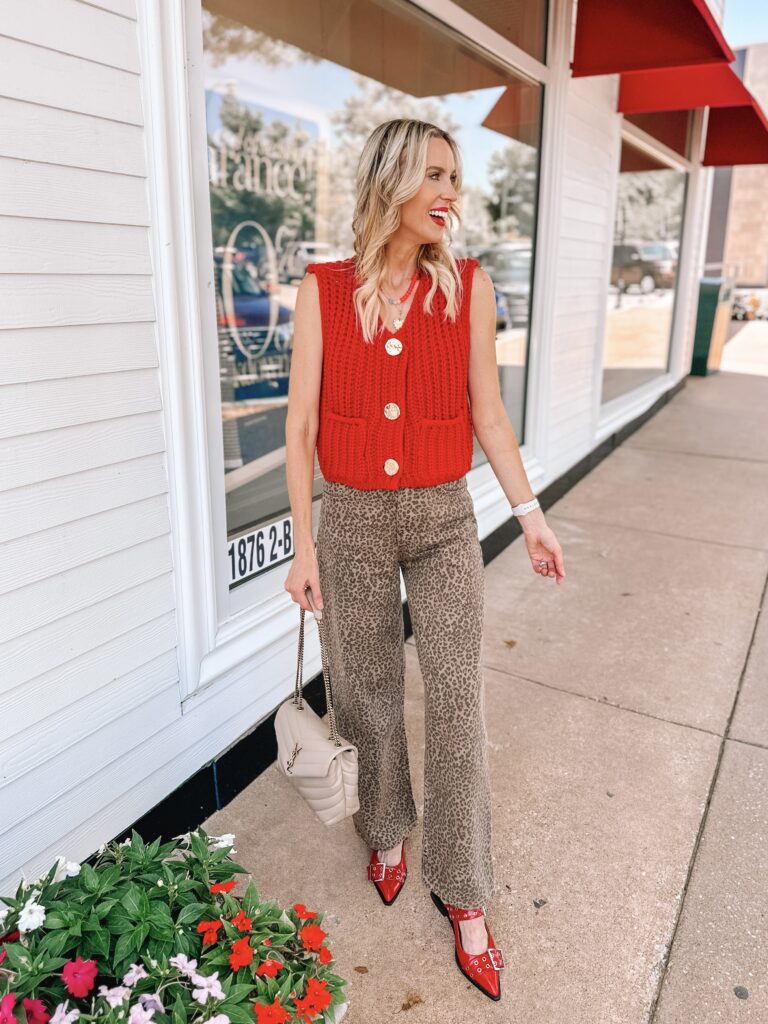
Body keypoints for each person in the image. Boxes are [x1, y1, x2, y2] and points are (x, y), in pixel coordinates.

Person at [284, 118, 565, 1002]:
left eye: (456, 177)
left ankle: (467, 894)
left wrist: (531, 513)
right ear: (392, 183)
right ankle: (388, 830)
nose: (452, 194)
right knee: (363, 692)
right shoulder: (324, 290)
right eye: (436, 177)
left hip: (446, 520)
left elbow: (489, 414)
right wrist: (302, 545)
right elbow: (297, 430)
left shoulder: (468, 286)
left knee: (454, 702)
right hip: (354, 524)